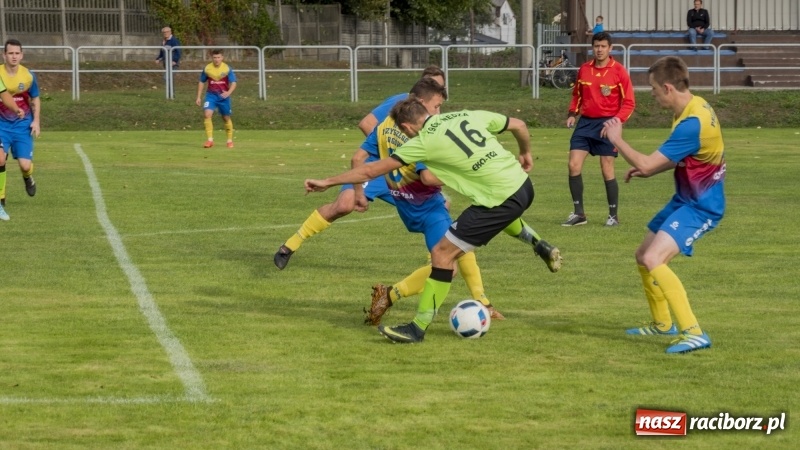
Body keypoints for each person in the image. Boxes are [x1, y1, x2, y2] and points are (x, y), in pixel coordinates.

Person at [306, 101, 550, 344]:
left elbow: (370, 171)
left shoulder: (422, 142)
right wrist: (525, 152)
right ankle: (537, 243)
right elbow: (519, 124)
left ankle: (417, 328)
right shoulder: (466, 113)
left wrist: (327, 181)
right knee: (470, 231)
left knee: (442, 255)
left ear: (407, 127)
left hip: (501, 199)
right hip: (523, 186)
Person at [362, 78, 562, 325]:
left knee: (465, 240)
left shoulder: (386, 128)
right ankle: (394, 298)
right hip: (430, 204)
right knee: (448, 260)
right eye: (436, 106)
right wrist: (463, 169)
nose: (439, 112)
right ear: (420, 104)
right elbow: (427, 176)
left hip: (407, 202)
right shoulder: (422, 137)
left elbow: (360, 156)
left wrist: (353, 188)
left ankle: (485, 300)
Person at [601, 56, 723, 354]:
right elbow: (677, 159)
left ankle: (694, 332)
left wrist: (617, 139)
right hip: (685, 199)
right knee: (643, 255)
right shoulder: (693, 106)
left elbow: (647, 159)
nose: (652, 95)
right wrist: (647, 170)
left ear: (668, 87)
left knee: (655, 258)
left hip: (701, 206)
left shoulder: (691, 124)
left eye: (654, 89)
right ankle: (661, 324)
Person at [272, 66, 445, 270]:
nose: (437, 93)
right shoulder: (400, 103)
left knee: (440, 207)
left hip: (403, 176)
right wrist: (388, 151)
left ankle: (435, 267)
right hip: (377, 169)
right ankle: (290, 246)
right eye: (433, 85)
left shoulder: (433, 115)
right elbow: (366, 123)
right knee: (344, 204)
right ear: (421, 90)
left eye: (440, 87)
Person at [563, 31, 635, 227]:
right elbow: (577, 95)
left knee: (607, 169)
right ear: (592, 48)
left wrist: (616, 122)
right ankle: (579, 214)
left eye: (603, 46)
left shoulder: (619, 71)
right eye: (596, 46)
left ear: (610, 48)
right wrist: (572, 114)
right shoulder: (585, 69)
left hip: (607, 124)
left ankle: (613, 216)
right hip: (585, 123)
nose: (599, 49)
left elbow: (629, 103)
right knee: (573, 165)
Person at [0, 39, 41, 222]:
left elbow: (35, 98)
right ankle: (1, 202)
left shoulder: (28, 76)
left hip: (22, 125)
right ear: (4, 55)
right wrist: (15, 109)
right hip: (1, 125)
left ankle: (28, 177)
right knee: (0, 158)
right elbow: (4, 96)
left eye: (17, 53)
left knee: (25, 165)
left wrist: (36, 121)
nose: (14, 56)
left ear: (22, 55)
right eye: (10, 53)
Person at [196, 49, 237, 149]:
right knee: (207, 114)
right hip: (211, 95)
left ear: (222, 58)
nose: (216, 59)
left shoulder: (227, 68)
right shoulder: (207, 68)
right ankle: (210, 140)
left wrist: (228, 92)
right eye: (214, 57)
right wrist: (198, 97)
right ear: (212, 58)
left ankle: (229, 140)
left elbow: (234, 82)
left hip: (223, 97)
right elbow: (201, 82)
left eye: (218, 57)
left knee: (226, 118)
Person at [155, 26, 181, 97]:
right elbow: (162, 52)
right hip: (166, 64)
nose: (165, 33)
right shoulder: (163, 41)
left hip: (173, 64)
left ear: (170, 32)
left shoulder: (174, 41)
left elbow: (178, 52)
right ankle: (171, 94)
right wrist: (158, 59)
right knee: (169, 79)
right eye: (164, 32)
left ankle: (171, 94)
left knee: (167, 78)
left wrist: (174, 61)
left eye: (167, 32)